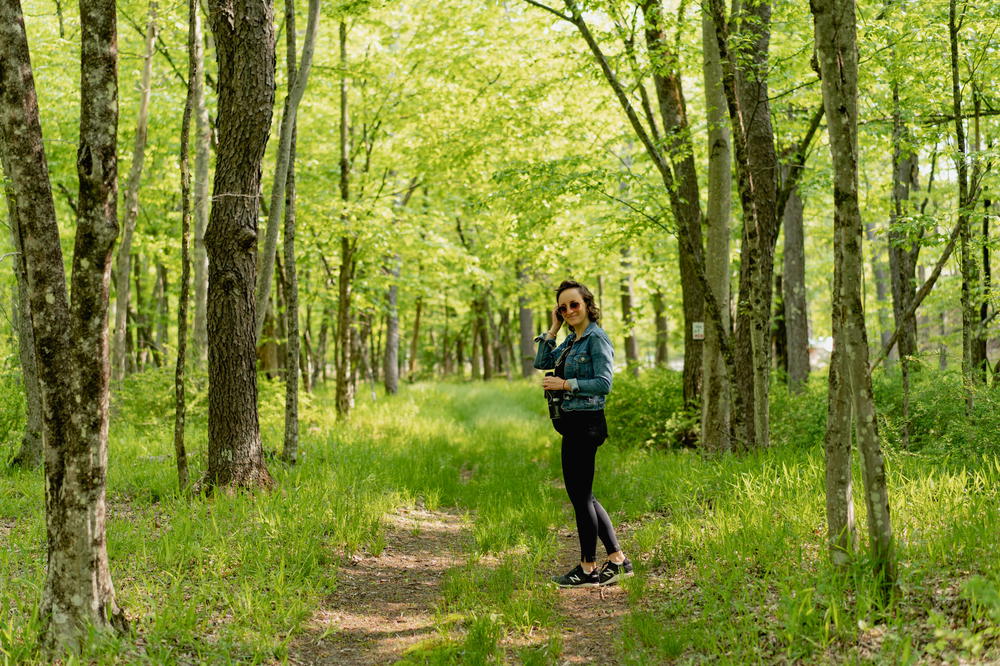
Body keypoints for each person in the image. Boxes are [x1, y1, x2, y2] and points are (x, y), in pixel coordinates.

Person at [534, 280, 633, 588]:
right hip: (572, 423)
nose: (569, 311)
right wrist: (553, 329)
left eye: (574, 304)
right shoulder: (572, 340)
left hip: (587, 424)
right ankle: (618, 561)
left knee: (580, 497)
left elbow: (604, 383)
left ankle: (588, 567)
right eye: (563, 308)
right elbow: (542, 363)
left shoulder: (596, 339)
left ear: (588, 305)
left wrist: (565, 384)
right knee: (584, 496)